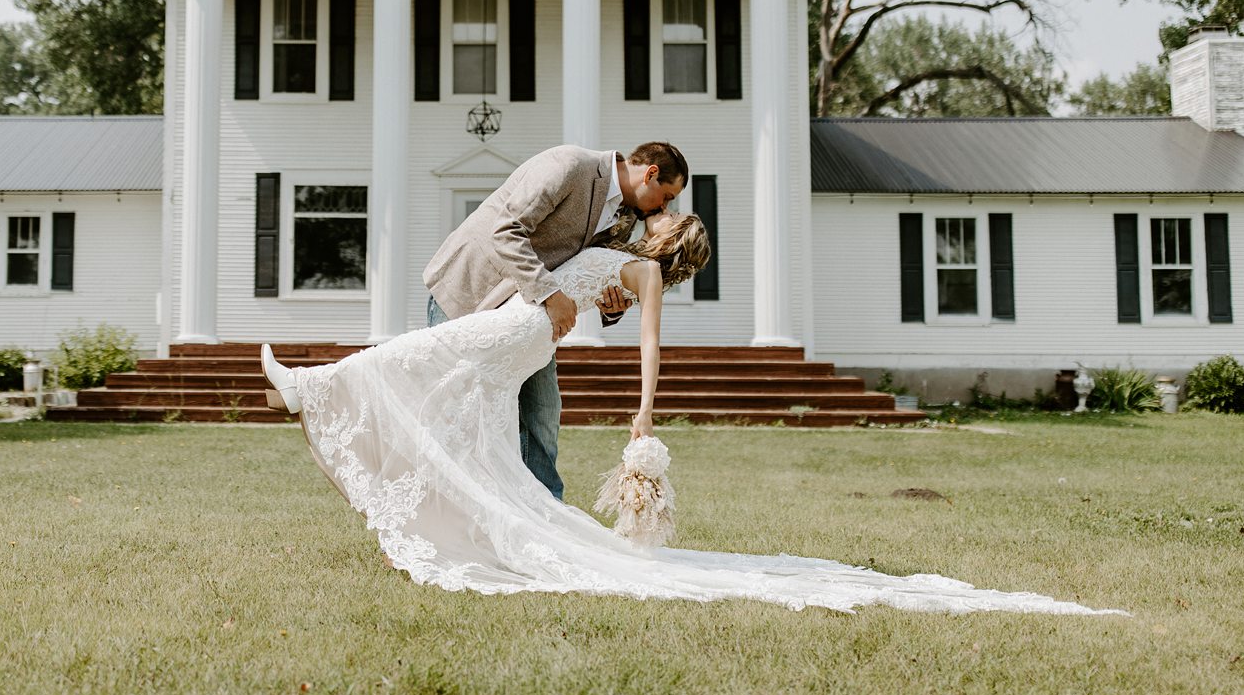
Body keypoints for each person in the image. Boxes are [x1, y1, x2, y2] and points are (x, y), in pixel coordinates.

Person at [259, 211, 1122, 615]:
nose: (659, 219)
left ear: (672, 246)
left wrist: (642, 417)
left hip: (527, 325)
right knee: (474, 427)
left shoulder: (640, 273)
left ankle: (315, 385)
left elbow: (650, 349)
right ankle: (453, 504)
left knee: (422, 359)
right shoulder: (622, 253)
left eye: (669, 222)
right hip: (534, 332)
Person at [422, 141, 687, 500]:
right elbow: (506, 230)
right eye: (667, 196)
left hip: (526, 315)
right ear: (651, 174)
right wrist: (551, 296)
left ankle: (545, 510)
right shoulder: (571, 165)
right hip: (469, 291)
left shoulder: (623, 219)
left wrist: (612, 306)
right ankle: (422, 514)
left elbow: (590, 272)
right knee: (453, 410)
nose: (665, 206)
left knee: (543, 409)